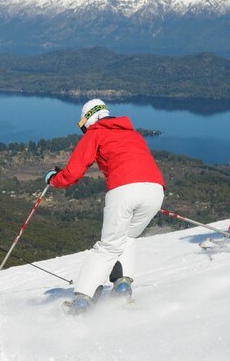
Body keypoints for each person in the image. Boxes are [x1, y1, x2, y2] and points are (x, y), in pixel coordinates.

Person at [45, 99, 166, 314]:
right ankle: (122, 287)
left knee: (108, 246)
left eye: (84, 126)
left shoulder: (96, 132)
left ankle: (82, 301)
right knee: (126, 238)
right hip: (156, 190)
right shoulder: (133, 133)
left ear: (89, 119)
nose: (85, 130)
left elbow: (74, 172)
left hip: (124, 189)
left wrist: (54, 180)